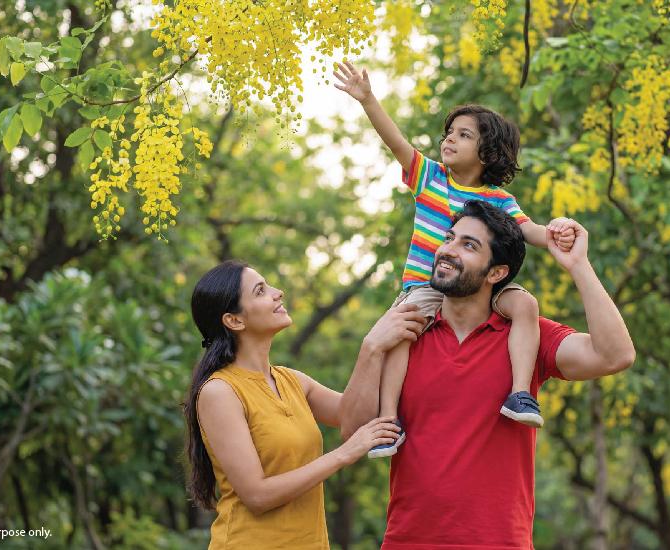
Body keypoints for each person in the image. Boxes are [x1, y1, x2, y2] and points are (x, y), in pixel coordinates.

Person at [339, 201, 636, 548]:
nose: (448, 250)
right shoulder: (403, 335)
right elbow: (351, 432)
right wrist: (371, 347)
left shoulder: (525, 337)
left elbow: (616, 355)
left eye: (468, 245)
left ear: (496, 273)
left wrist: (578, 265)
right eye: (449, 238)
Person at [333, 61, 577, 458]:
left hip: (481, 285)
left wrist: (556, 233)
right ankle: (391, 421)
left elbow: (528, 229)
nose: (449, 140)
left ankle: (519, 395)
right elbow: (395, 141)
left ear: (487, 152)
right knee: (402, 333)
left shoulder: (499, 199)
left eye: (463, 135)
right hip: (425, 287)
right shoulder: (429, 178)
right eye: (449, 133)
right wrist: (367, 98)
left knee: (526, 304)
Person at [183, 260, 425, 549]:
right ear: (234, 320)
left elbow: (354, 420)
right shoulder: (220, 391)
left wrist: (372, 347)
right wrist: (343, 454)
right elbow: (256, 496)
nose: (278, 292)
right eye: (261, 291)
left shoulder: (292, 381)